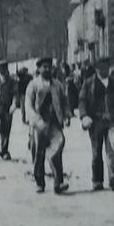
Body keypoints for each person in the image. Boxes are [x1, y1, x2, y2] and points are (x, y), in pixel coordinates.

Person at [80, 58, 114, 191]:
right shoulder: (88, 83)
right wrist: (84, 116)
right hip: (96, 121)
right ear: (96, 69)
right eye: (101, 68)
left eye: (106, 68)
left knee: (113, 149)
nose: (104, 71)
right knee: (96, 151)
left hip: (113, 120)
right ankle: (97, 180)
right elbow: (82, 101)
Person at [25, 57, 70, 194]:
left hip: (55, 123)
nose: (47, 69)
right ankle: (39, 182)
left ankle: (58, 183)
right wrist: (36, 121)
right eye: (44, 67)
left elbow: (64, 102)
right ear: (39, 69)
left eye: (49, 67)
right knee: (39, 153)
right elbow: (28, 105)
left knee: (57, 151)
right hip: (39, 124)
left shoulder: (57, 85)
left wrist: (66, 116)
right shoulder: (33, 85)